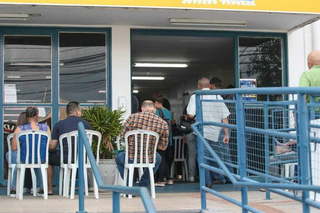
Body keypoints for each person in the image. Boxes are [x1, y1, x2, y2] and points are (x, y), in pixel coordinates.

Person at [186, 77, 230, 188]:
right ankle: (218, 177)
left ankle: (207, 182)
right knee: (214, 156)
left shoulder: (195, 96)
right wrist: (226, 134)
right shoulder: (217, 96)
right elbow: (225, 117)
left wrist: (188, 117)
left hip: (201, 131)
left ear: (198, 87)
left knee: (202, 156)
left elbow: (191, 115)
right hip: (216, 131)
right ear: (210, 86)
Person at [115, 100, 169, 188]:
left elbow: (122, 136)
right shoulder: (163, 123)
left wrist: (133, 142)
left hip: (130, 157)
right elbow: (163, 147)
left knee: (118, 158)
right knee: (158, 158)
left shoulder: (132, 117)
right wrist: (151, 145)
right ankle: (143, 184)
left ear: (142, 108)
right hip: (149, 158)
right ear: (154, 109)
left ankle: (130, 184)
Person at [48, 101, 91, 195]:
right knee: (85, 157)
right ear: (77, 112)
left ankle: (49, 189)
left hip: (65, 158)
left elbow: (52, 146)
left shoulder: (59, 125)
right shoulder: (86, 124)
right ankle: (83, 187)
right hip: (82, 158)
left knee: (48, 159)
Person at [11, 106, 51, 196]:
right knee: (38, 161)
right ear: (37, 115)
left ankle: (14, 188)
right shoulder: (45, 128)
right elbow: (50, 145)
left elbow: (14, 148)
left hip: (25, 158)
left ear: (27, 115)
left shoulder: (20, 129)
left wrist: (15, 137)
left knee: (19, 162)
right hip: (41, 158)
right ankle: (41, 187)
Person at [209, 77, 233, 184]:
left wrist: (226, 133)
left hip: (220, 129)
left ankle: (221, 177)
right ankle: (230, 176)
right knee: (225, 154)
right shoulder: (221, 96)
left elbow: (225, 117)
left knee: (217, 155)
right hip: (223, 129)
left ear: (213, 85)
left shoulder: (217, 97)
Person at [152, 93, 173, 186]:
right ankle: (168, 179)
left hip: (160, 138)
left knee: (160, 159)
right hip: (168, 138)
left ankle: (161, 180)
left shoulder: (157, 111)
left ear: (156, 103)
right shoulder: (167, 111)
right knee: (164, 158)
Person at [6, 112, 28, 197]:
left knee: (15, 160)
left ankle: (14, 187)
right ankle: (38, 187)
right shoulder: (26, 133)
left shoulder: (16, 131)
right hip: (22, 157)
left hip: (14, 157)